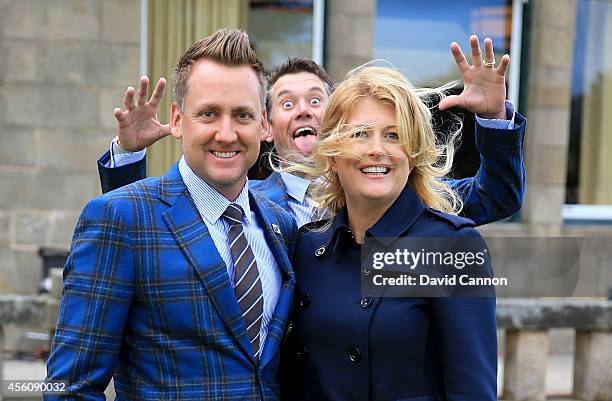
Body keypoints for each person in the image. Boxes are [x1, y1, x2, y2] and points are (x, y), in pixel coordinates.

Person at [44, 29, 297, 400]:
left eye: (241, 115)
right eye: (208, 113)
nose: (226, 134)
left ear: (263, 125)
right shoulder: (119, 220)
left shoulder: (281, 225)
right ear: (177, 120)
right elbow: (69, 388)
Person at [97, 36, 526, 227]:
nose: (303, 110)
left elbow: (496, 197)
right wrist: (129, 154)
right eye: (287, 103)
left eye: (316, 100)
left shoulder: (386, 187)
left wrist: (492, 118)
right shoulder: (245, 205)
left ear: (336, 118)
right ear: (266, 127)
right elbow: (153, 227)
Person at [280, 64, 497, 400]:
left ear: (412, 156)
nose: (376, 149)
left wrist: (495, 118)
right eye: (360, 134)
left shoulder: (452, 247)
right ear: (334, 156)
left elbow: (473, 393)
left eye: (393, 135)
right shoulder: (307, 248)